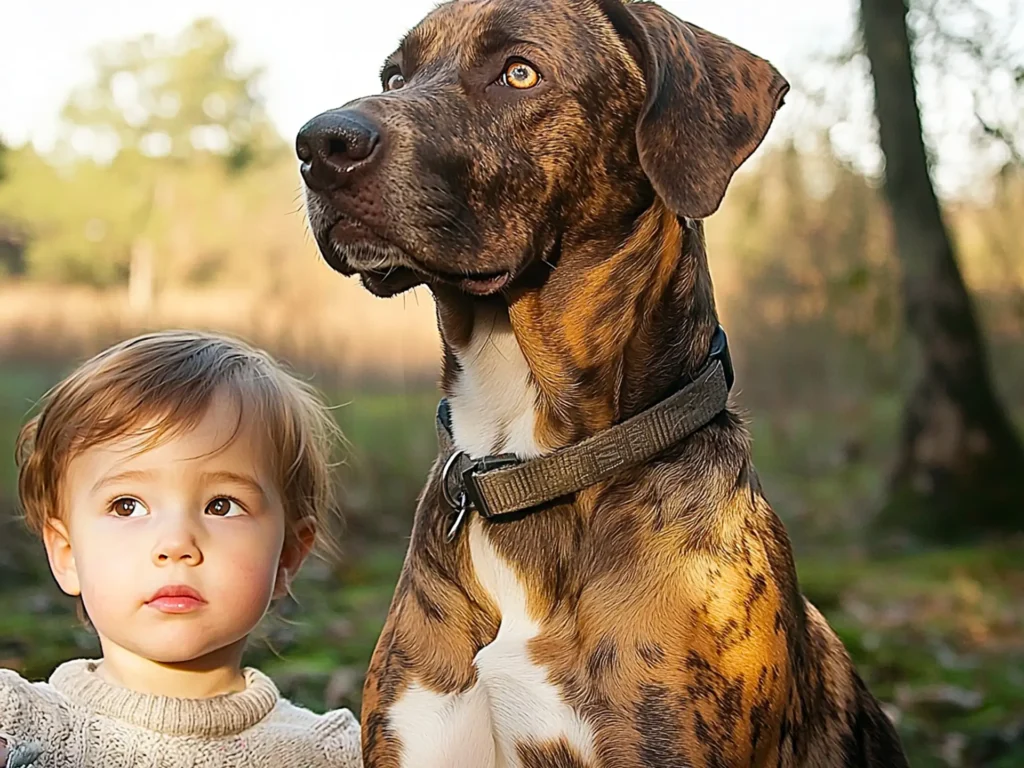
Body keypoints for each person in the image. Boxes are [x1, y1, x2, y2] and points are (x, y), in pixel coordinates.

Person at [0, 330, 362, 767]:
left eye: (221, 506)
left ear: (288, 555)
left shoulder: (334, 755)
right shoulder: (16, 725)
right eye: (127, 506)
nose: (176, 544)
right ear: (67, 553)